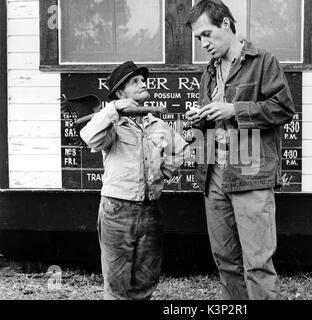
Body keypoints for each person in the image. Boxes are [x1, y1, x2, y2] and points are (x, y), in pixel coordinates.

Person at [185, 0, 295, 300]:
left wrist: (233, 109)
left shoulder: (263, 61)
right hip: (214, 174)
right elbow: (214, 118)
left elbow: (283, 109)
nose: (203, 44)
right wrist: (201, 117)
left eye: (207, 34)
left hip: (251, 174)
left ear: (226, 24)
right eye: (198, 39)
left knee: (257, 264)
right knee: (226, 261)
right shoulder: (208, 72)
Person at [80, 61, 189, 300]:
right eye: (135, 82)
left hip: (151, 210)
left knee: (145, 281)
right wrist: (114, 109)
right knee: (117, 284)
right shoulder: (112, 123)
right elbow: (88, 137)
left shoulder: (157, 124)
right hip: (117, 209)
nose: (143, 84)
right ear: (120, 93)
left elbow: (181, 150)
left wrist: (163, 173)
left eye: (143, 80)